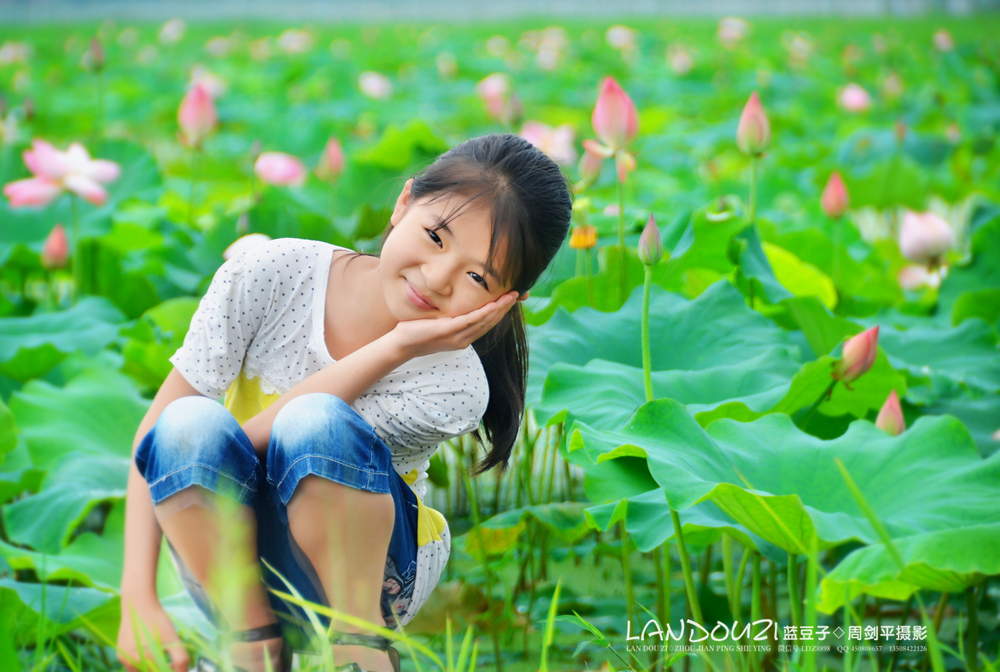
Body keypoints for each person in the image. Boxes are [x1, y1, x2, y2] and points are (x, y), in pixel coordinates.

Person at [116, 133, 574, 672]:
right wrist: (136, 597)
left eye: (477, 276)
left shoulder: (457, 384)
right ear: (403, 203)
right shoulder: (270, 272)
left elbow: (269, 442)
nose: (436, 277)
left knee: (318, 424)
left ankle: (361, 650)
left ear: (505, 303)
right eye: (434, 236)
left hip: (367, 577)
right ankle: (251, 645)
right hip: (224, 557)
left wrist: (398, 346)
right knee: (184, 425)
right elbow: (158, 445)